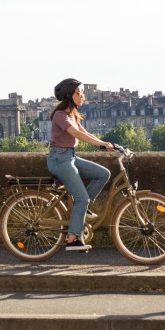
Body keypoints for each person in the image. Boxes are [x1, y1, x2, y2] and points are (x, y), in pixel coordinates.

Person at [48, 78, 113, 252]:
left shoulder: (72, 115)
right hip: (59, 159)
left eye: (82, 92)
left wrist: (104, 143)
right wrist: (102, 144)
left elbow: (85, 133)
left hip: (69, 156)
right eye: (79, 93)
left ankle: (83, 210)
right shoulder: (60, 115)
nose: (82, 96)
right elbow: (75, 133)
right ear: (69, 96)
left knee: (103, 174)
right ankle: (72, 239)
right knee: (81, 198)